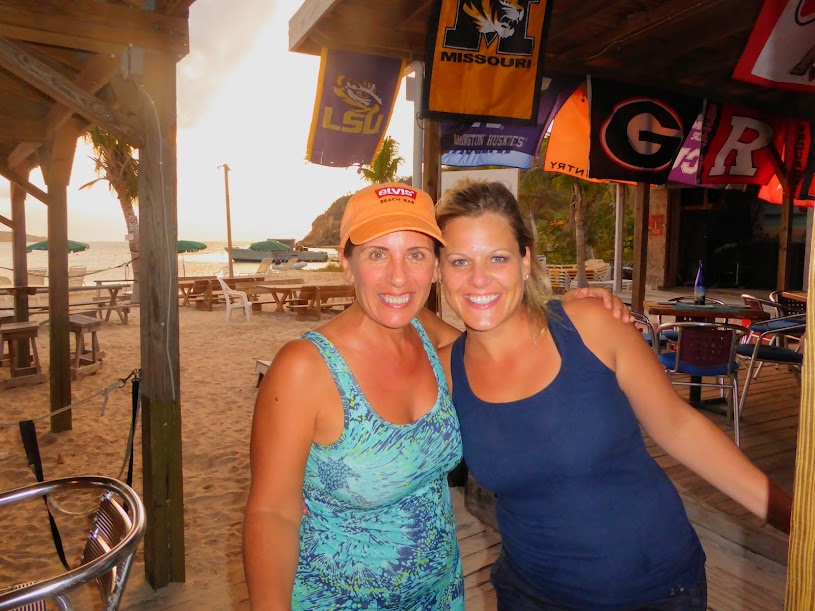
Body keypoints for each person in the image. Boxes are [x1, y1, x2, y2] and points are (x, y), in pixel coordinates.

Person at [243, 182, 630, 610]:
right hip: (336, 599)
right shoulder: (305, 368)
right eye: (377, 254)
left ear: (435, 268)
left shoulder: (433, 341)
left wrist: (568, 312)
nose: (398, 277)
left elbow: (512, 348)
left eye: (416, 254)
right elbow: (272, 513)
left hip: (440, 595)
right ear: (347, 264)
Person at [434, 179, 793, 611]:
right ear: (438, 270)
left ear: (525, 262)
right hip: (530, 594)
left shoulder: (589, 325)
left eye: (497, 258)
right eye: (459, 261)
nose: (478, 279)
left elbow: (679, 426)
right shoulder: (444, 376)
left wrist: (795, 520)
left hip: (655, 591)